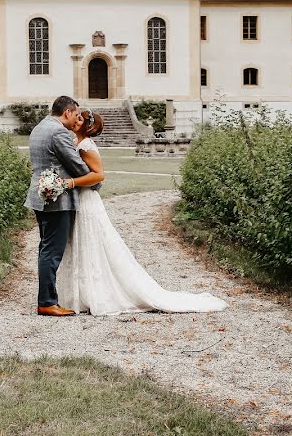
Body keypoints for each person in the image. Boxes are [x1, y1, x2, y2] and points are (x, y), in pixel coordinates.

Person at [58, 110, 228, 315]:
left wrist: (71, 182)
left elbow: (99, 175)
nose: (75, 121)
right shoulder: (77, 143)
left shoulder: (85, 146)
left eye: (80, 119)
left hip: (87, 200)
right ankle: (84, 293)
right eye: (76, 118)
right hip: (81, 199)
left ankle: (96, 292)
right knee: (84, 243)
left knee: (93, 243)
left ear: (88, 126)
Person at [24, 96, 103, 317]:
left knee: (45, 247)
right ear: (67, 112)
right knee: (52, 250)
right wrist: (94, 180)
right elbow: (78, 166)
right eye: (75, 114)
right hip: (57, 200)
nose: (76, 119)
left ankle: (47, 299)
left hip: (40, 196)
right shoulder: (58, 132)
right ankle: (47, 302)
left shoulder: (40, 127)